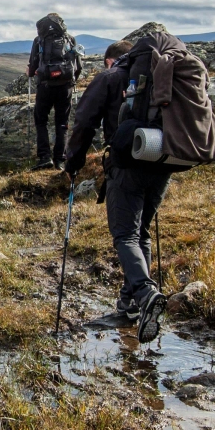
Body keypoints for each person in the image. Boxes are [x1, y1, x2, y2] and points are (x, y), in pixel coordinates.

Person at [61, 37, 165, 341]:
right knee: (140, 232)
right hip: (162, 158)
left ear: (111, 60)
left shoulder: (109, 77)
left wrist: (72, 162)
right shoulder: (161, 75)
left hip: (128, 164)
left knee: (125, 234)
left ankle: (145, 295)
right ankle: (130, 307)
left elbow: (84, 122)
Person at [27, 13, 81, 170]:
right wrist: (72, 82)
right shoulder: (70, 39)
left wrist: (30, 72)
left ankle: (44, 157)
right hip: (65, 87)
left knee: (41, 119)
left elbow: (33, 67)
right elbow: (78, 66)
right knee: (62, 123)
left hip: (45, 86)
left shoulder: (39, 40)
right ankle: (60, 160)